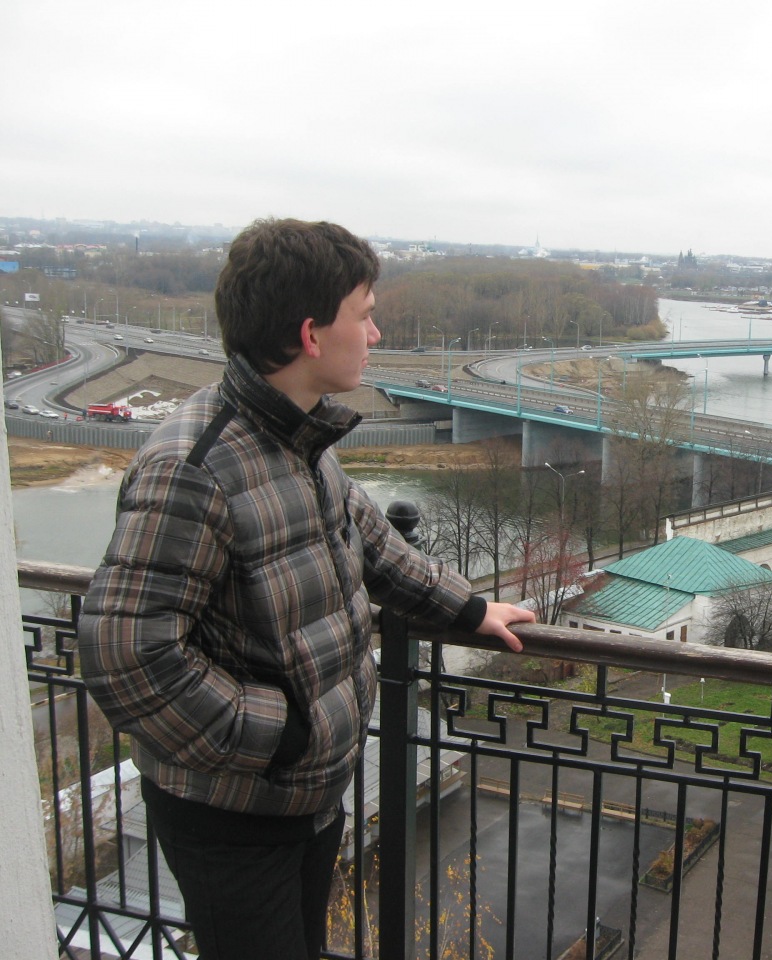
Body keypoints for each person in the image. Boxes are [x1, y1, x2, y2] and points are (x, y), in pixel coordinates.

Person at [79, 218, 535, 960]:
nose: (377, 334)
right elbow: (126, 654)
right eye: (365, 315)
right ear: (310, 335)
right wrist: (283, 733)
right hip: (232, 814)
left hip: (306, 795)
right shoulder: (192, 468)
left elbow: (375, 544)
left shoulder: (299, 437)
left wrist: (471, 608)